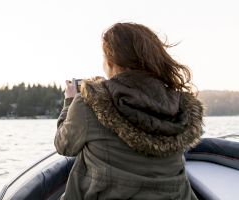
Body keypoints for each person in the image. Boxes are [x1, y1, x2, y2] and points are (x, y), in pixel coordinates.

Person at [54, 22, 203, 200]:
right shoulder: (179, 105)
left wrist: (69, 102)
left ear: (110, 62)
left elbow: (64, 146)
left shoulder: (87, 103)